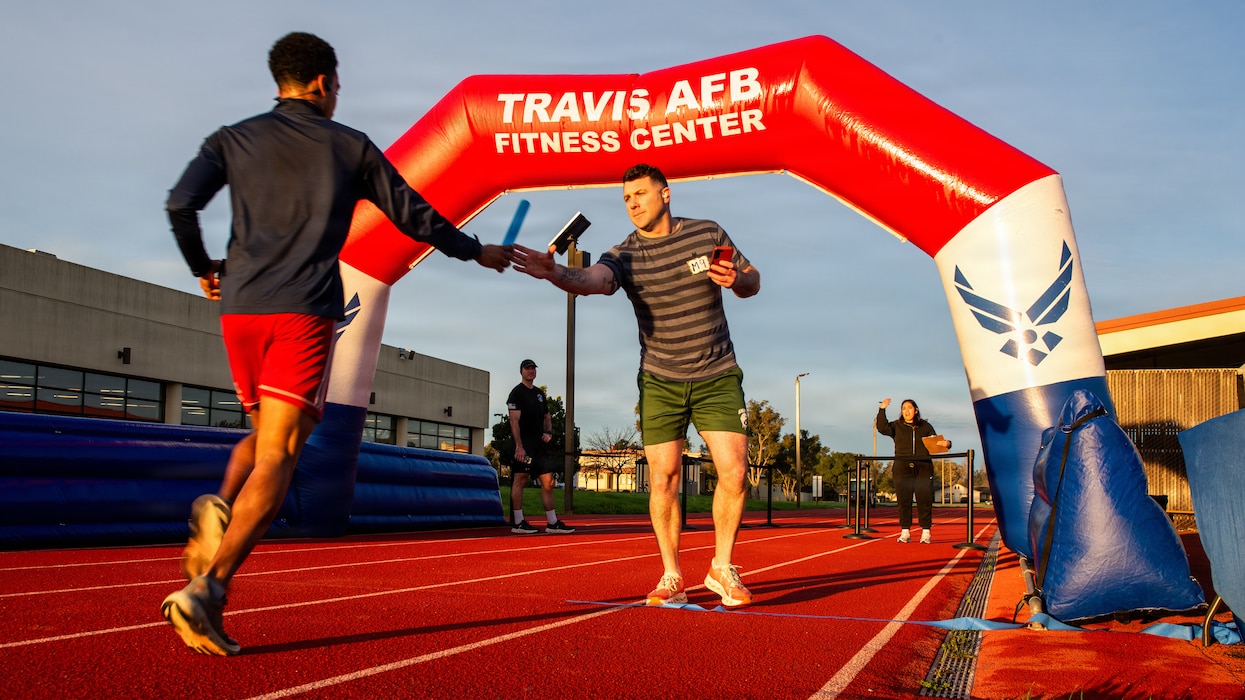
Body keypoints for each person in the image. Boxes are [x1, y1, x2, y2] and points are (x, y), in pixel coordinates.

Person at [161, 31, 510, 656]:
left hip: (240, 308)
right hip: (301, 310)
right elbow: (412, 214)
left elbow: (181, 204)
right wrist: (475, 249)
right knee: (284, 453)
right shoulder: (348, 146)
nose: (339, 94)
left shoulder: (230, 138)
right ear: (322, 83)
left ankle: (220, 502)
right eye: (339, 84)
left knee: (265, 433)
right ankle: (209, 589)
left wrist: (205, 268)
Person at [512, 163, 760, 608]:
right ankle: (671, 577)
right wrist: (553, 273)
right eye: (626, 199)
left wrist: (737, 279)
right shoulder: (624, 254)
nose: (633, 204)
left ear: (666, 194)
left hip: (716, 373)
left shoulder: (707, 233)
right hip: (661, 380)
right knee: (662, 479)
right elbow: (591, 280)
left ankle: (722, 567)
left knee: (735, 472)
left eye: (641, 194)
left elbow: (752, 280)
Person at [506, 359, 576, 534]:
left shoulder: (539, 394)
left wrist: (549, 433)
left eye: (533, 369)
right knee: (520, 479)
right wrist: (519, 446)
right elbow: (514, 421)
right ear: (521, 371)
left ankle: (552, 523)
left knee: (548, 481)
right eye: (527, 368)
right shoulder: (516, 393)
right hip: (524, 445)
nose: (531, 371)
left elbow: (547, 416)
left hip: (539, 445)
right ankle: (518, 522)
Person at [876, 398, 950, 544]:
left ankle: (926, 532)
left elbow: (936, 444)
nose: (906, 411)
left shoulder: (926, 426)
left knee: (924, 499)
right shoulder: (896, 426)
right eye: (903, 408)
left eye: (909, 408)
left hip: (923, 467)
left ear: (916, 410)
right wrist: (882, 409)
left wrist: (947, 443)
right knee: (904, 500)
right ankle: (905, 532)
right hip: (902, 467)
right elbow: (882, 427)